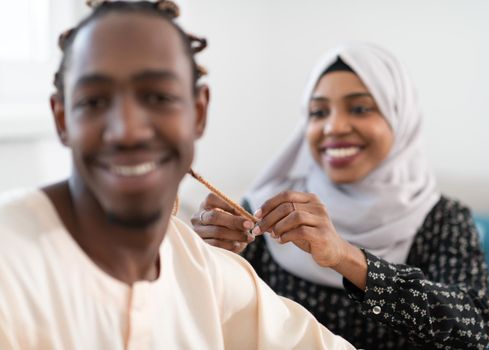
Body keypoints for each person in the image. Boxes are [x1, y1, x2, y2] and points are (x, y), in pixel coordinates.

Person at [0, 1, 357, 349]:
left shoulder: (202, 270)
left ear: (198, 113)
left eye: (158, 97)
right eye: (94, 101)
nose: (127, 131)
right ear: (62, 119)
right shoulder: (12, 262)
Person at [192, 42, 489, 349]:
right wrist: (212, 260)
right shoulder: (266, 208)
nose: (334, 126)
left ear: (399, 117)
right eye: (318, 112)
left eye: (360, 108)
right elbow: (208, 321)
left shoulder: (442, 218)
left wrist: (345, 256)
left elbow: (474, 331)